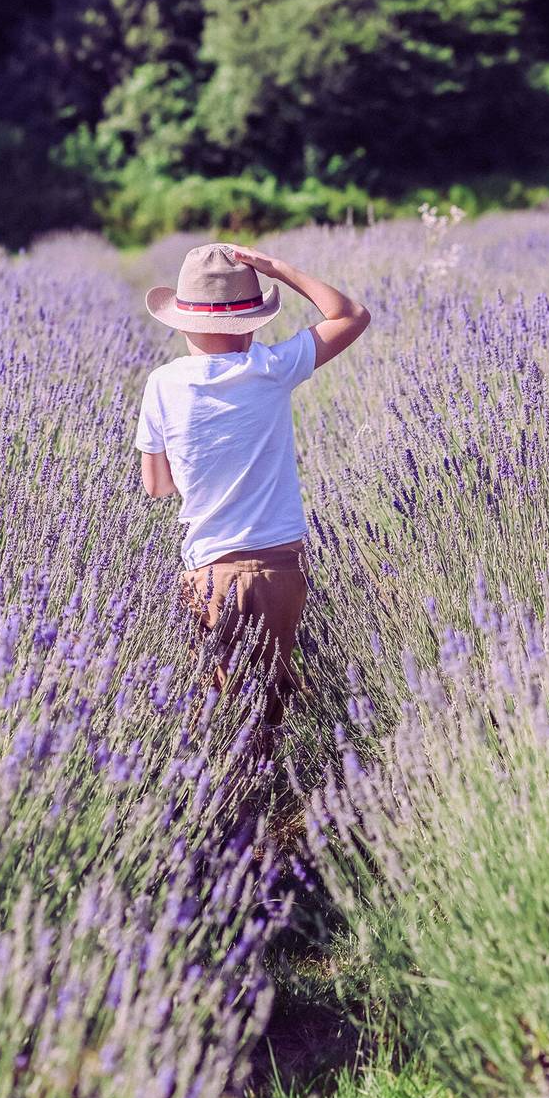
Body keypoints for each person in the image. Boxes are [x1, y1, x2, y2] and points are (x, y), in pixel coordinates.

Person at [135, 242, 370, 737]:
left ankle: (229, 801)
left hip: (207, 571)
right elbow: (349, 315)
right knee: (270, 704)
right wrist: (278, 268)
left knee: (223, 708)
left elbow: (156, 485)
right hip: (279, 565)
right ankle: (283, 797)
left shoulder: (162, 384)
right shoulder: (269, 368)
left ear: (180, 322)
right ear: (253, 323)